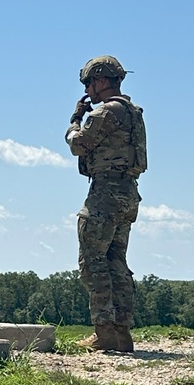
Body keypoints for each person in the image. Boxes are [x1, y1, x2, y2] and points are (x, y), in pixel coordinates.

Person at [65, 55, 147, 353]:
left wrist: (74, 121)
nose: (88, 89)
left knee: (93, 261)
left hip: (106, 193)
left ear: (102, 79)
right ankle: (122, 334)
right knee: (116, 262)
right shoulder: (132, 112)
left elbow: (78, 144)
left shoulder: (107, 112)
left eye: (89, 82)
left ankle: (103, 332)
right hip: (128, 193)